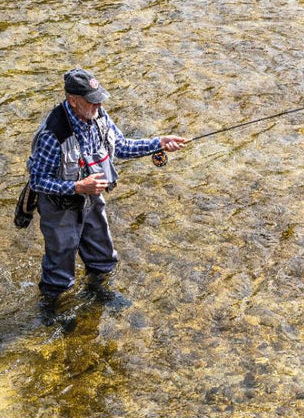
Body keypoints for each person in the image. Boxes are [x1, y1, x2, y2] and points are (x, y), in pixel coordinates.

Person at [27, 68, 188, 324]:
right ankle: (51, 312)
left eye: (99, 98)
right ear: (73, 100)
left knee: (103, 257)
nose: (99, 105)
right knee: (59, 269)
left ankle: (99, 292)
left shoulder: (98, 115)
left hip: (91, 197)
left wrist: (158, 143)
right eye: (93, 100)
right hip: (60, 205)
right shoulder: (52, 134)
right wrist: (77, 187)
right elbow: (37, 181)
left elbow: (121, 146)